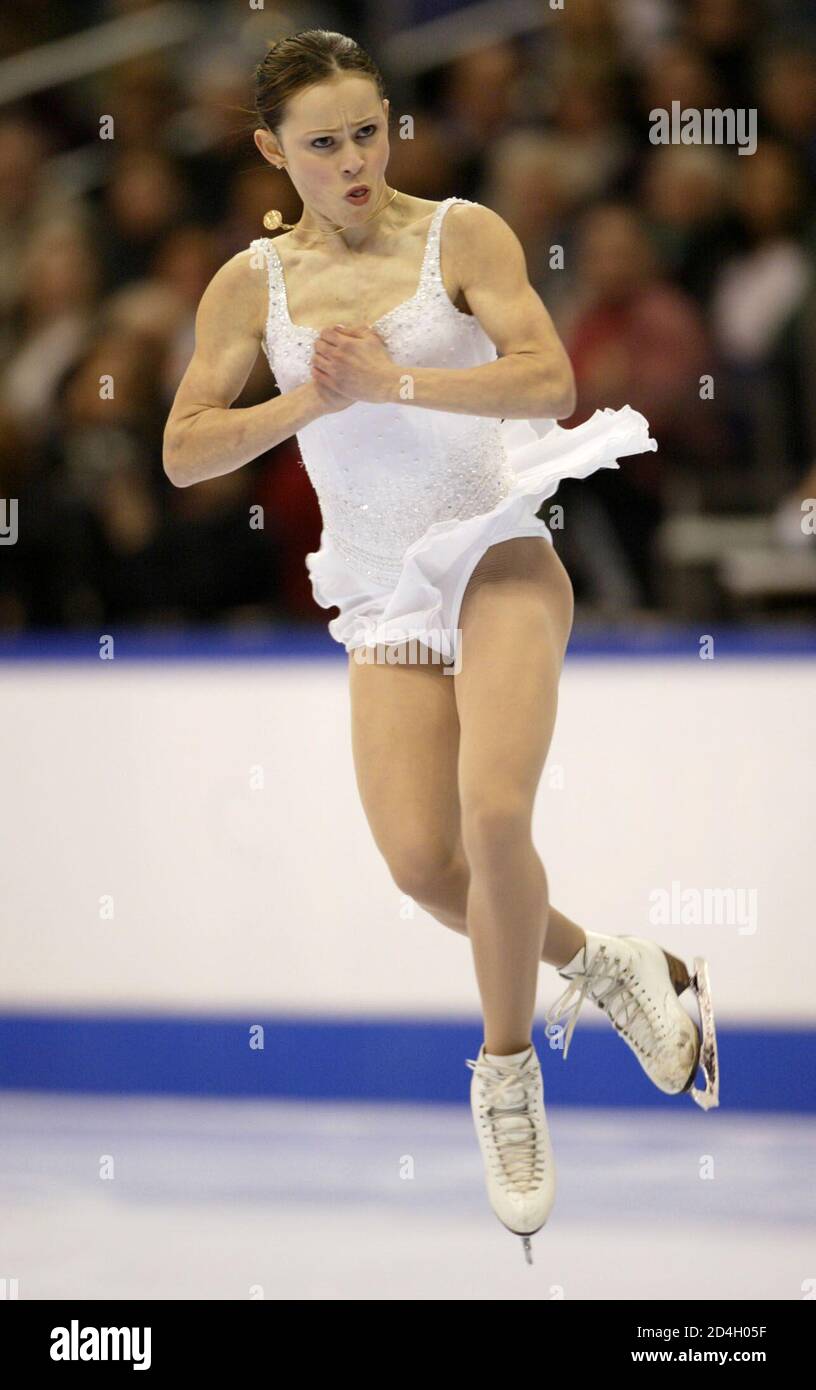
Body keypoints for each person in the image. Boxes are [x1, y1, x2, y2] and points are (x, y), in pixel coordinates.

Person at [163, 29, 719, 1263]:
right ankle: (611, 963)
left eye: (368, 131)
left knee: (493, 816)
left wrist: (397, 384)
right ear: (271, 152)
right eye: (324, 143)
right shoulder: (248, 286)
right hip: (382, 591)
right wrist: (312, 397)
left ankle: (507, 1075)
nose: (355, 160)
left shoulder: (461, 234)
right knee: (423, 865)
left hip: (495, 549)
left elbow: (548, 379)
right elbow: (185, 451)